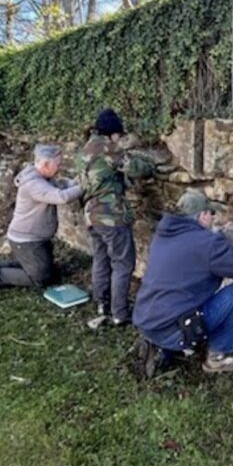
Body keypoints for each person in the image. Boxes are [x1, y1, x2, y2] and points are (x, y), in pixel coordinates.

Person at [133, 189, 233, 376]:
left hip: (146, 321)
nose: (213, 218)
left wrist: (218, 235)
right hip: (173, 329)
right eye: (211, 214)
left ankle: (160, 346)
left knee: (180, 299)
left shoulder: (164, 235)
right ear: (202, 215)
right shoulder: (206, 243)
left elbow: (195, 251)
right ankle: (218, 357)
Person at [77, 108, 155, 326]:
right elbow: (136, 168)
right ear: (112, 133)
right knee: (122, 264)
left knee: (101, 260)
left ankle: (102, 304)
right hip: (111, 217)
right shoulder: (107, 148)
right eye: (119, 135)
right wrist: (151, 166)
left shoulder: (84, 149)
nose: (120, 139)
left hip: (91, 215)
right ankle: (120, 313)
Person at [0, 144, 82, 293]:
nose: (59, 168)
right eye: (58, 164)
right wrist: (87, 186)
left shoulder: (44, 177)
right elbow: (61, 196)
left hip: (36, 239)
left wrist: (79, 181)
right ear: (46, 164)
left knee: (50, 273)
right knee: (41, 278)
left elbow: (63, 186)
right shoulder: (34, 184)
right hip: (26, 240)